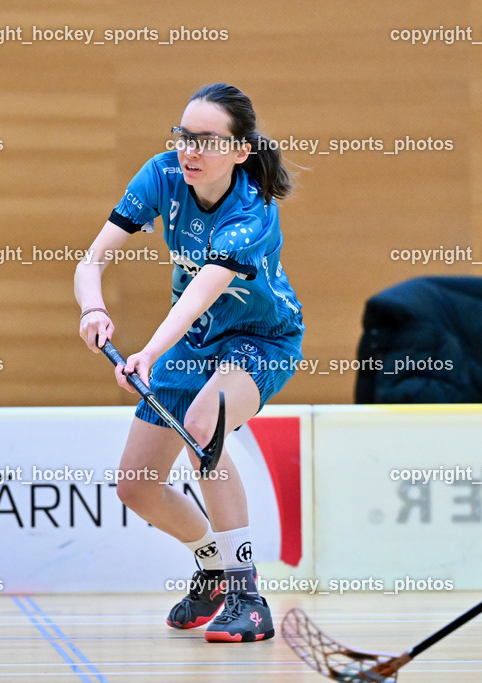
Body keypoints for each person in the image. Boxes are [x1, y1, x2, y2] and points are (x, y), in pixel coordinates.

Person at [75, 83, 304, 642]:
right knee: (136, 485)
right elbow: (92, 259)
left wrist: (149, 352)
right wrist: (94, 311)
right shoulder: (161, 175)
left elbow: (202, 290)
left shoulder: (253, 213)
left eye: (206, 140)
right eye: (184, 136)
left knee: (205, 427)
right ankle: (214, 568)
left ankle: (248, 597)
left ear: (241, 151)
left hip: (260, 341)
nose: (189, 151)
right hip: (194, 342)